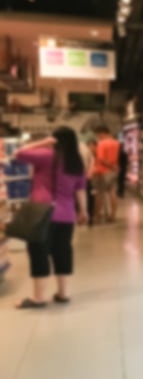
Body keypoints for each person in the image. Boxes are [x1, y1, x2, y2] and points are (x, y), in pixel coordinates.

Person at [14, 127, 87, 309]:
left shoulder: (46, 156)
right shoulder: (76, 162)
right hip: (66, 214)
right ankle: (63, 294)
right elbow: (80, 190)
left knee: (39, 253)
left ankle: (39, 298)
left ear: (55, 140)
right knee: (62, 252)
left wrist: (44, 142)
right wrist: (83, 211)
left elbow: (19, 153)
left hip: (42, 214)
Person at [93, 125, 120, 223]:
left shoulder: (101, 143)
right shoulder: (116, 143)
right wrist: (113, 167)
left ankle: (97, 217)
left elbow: (101, 159)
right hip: (113, 171)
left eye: (98, 135)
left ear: (102, 133)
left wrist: (109, 166)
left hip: (102, 171)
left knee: (99, 194)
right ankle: (113, 216)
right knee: (113, 193)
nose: (98, 137)